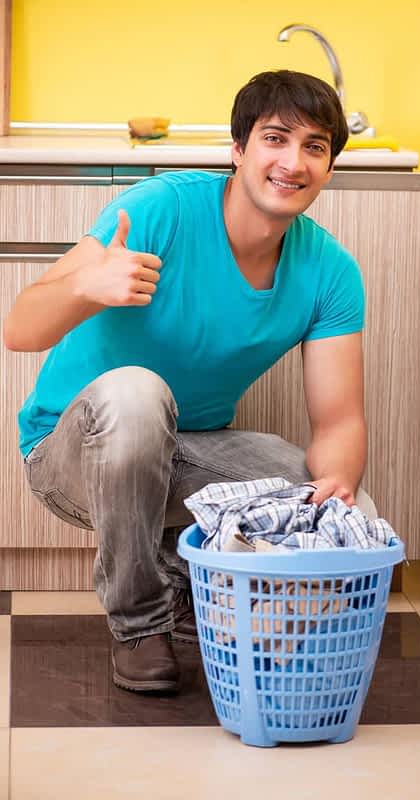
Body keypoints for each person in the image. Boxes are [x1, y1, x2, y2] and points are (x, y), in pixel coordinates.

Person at [3, 70, 369, 694]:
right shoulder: (160, 210)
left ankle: (187, 584)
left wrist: (335, 493)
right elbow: (19, 329)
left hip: (187, 449)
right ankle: (140, 624)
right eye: (275, 139)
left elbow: (338, 422)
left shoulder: (330, 270)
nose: (293, 161)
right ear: (238, 150)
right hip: (70, 453)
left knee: (305, 483)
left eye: (315, 147)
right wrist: (85, 288)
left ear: (331, 165)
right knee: (136, 391)